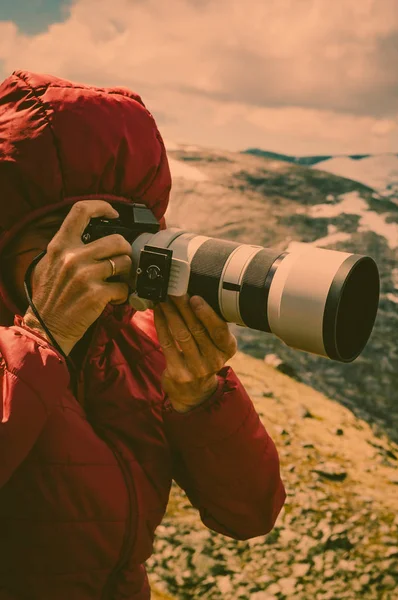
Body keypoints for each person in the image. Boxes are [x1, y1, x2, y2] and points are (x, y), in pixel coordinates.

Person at [0, 70, 286, 600]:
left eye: (117, 235)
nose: (88, 260)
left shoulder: (137, 343)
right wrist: (43, 337)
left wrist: (202, 399)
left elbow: (249, 513)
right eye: (59, 235)